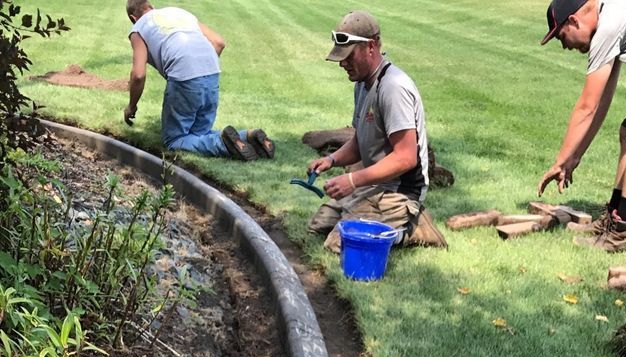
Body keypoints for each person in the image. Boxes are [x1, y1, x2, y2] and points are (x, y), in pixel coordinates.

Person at [308, 10, 446, 252]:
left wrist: (352, 180)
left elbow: (405, 158)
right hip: (376, 184)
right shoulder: (362, 84)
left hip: (402, 191)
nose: (342, 63)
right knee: (319, 224)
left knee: (339, 243)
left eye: (348, 56)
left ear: (370, 47)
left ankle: (411, 228)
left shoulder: (393, 88)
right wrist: (331, 160)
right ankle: (380, 217)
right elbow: (361, 140)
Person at [538, 0, 626, 252]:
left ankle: (622, 232)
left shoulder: (609, 25)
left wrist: (560, 161)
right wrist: (575, 156)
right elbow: (601, 101)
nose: (564, 46)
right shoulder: (611, 19)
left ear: (573, 20)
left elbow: (586, 107)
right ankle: (613, 218)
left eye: (562, 37)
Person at [124, 1, 275, 161]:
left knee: (174, 140)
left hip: (184, 76)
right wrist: (201, 70)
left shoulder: (138, 28)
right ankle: (248, 137)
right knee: (199, 135)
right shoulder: (178, 12)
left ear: (133, 18)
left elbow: (138, 75)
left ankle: (221, 144)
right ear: (151, 7)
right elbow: (218, 42)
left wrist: (131, 106)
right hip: (212, 72)